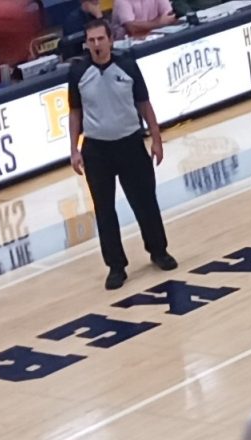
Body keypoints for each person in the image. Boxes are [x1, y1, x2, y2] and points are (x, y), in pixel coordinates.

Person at [67, 18, 176, 291]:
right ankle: (116, 266)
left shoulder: (127, 66)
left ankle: (158, 251)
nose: (96, 44)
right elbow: (75, 113)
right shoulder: (78, 73)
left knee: (145, 202)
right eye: (91, 40)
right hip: (96, 150)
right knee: (104, 211)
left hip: (130, 143)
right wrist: (73, 149)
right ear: (86, 43)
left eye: (100, 39)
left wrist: (156, 138)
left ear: (110, 40)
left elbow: (144, 104)